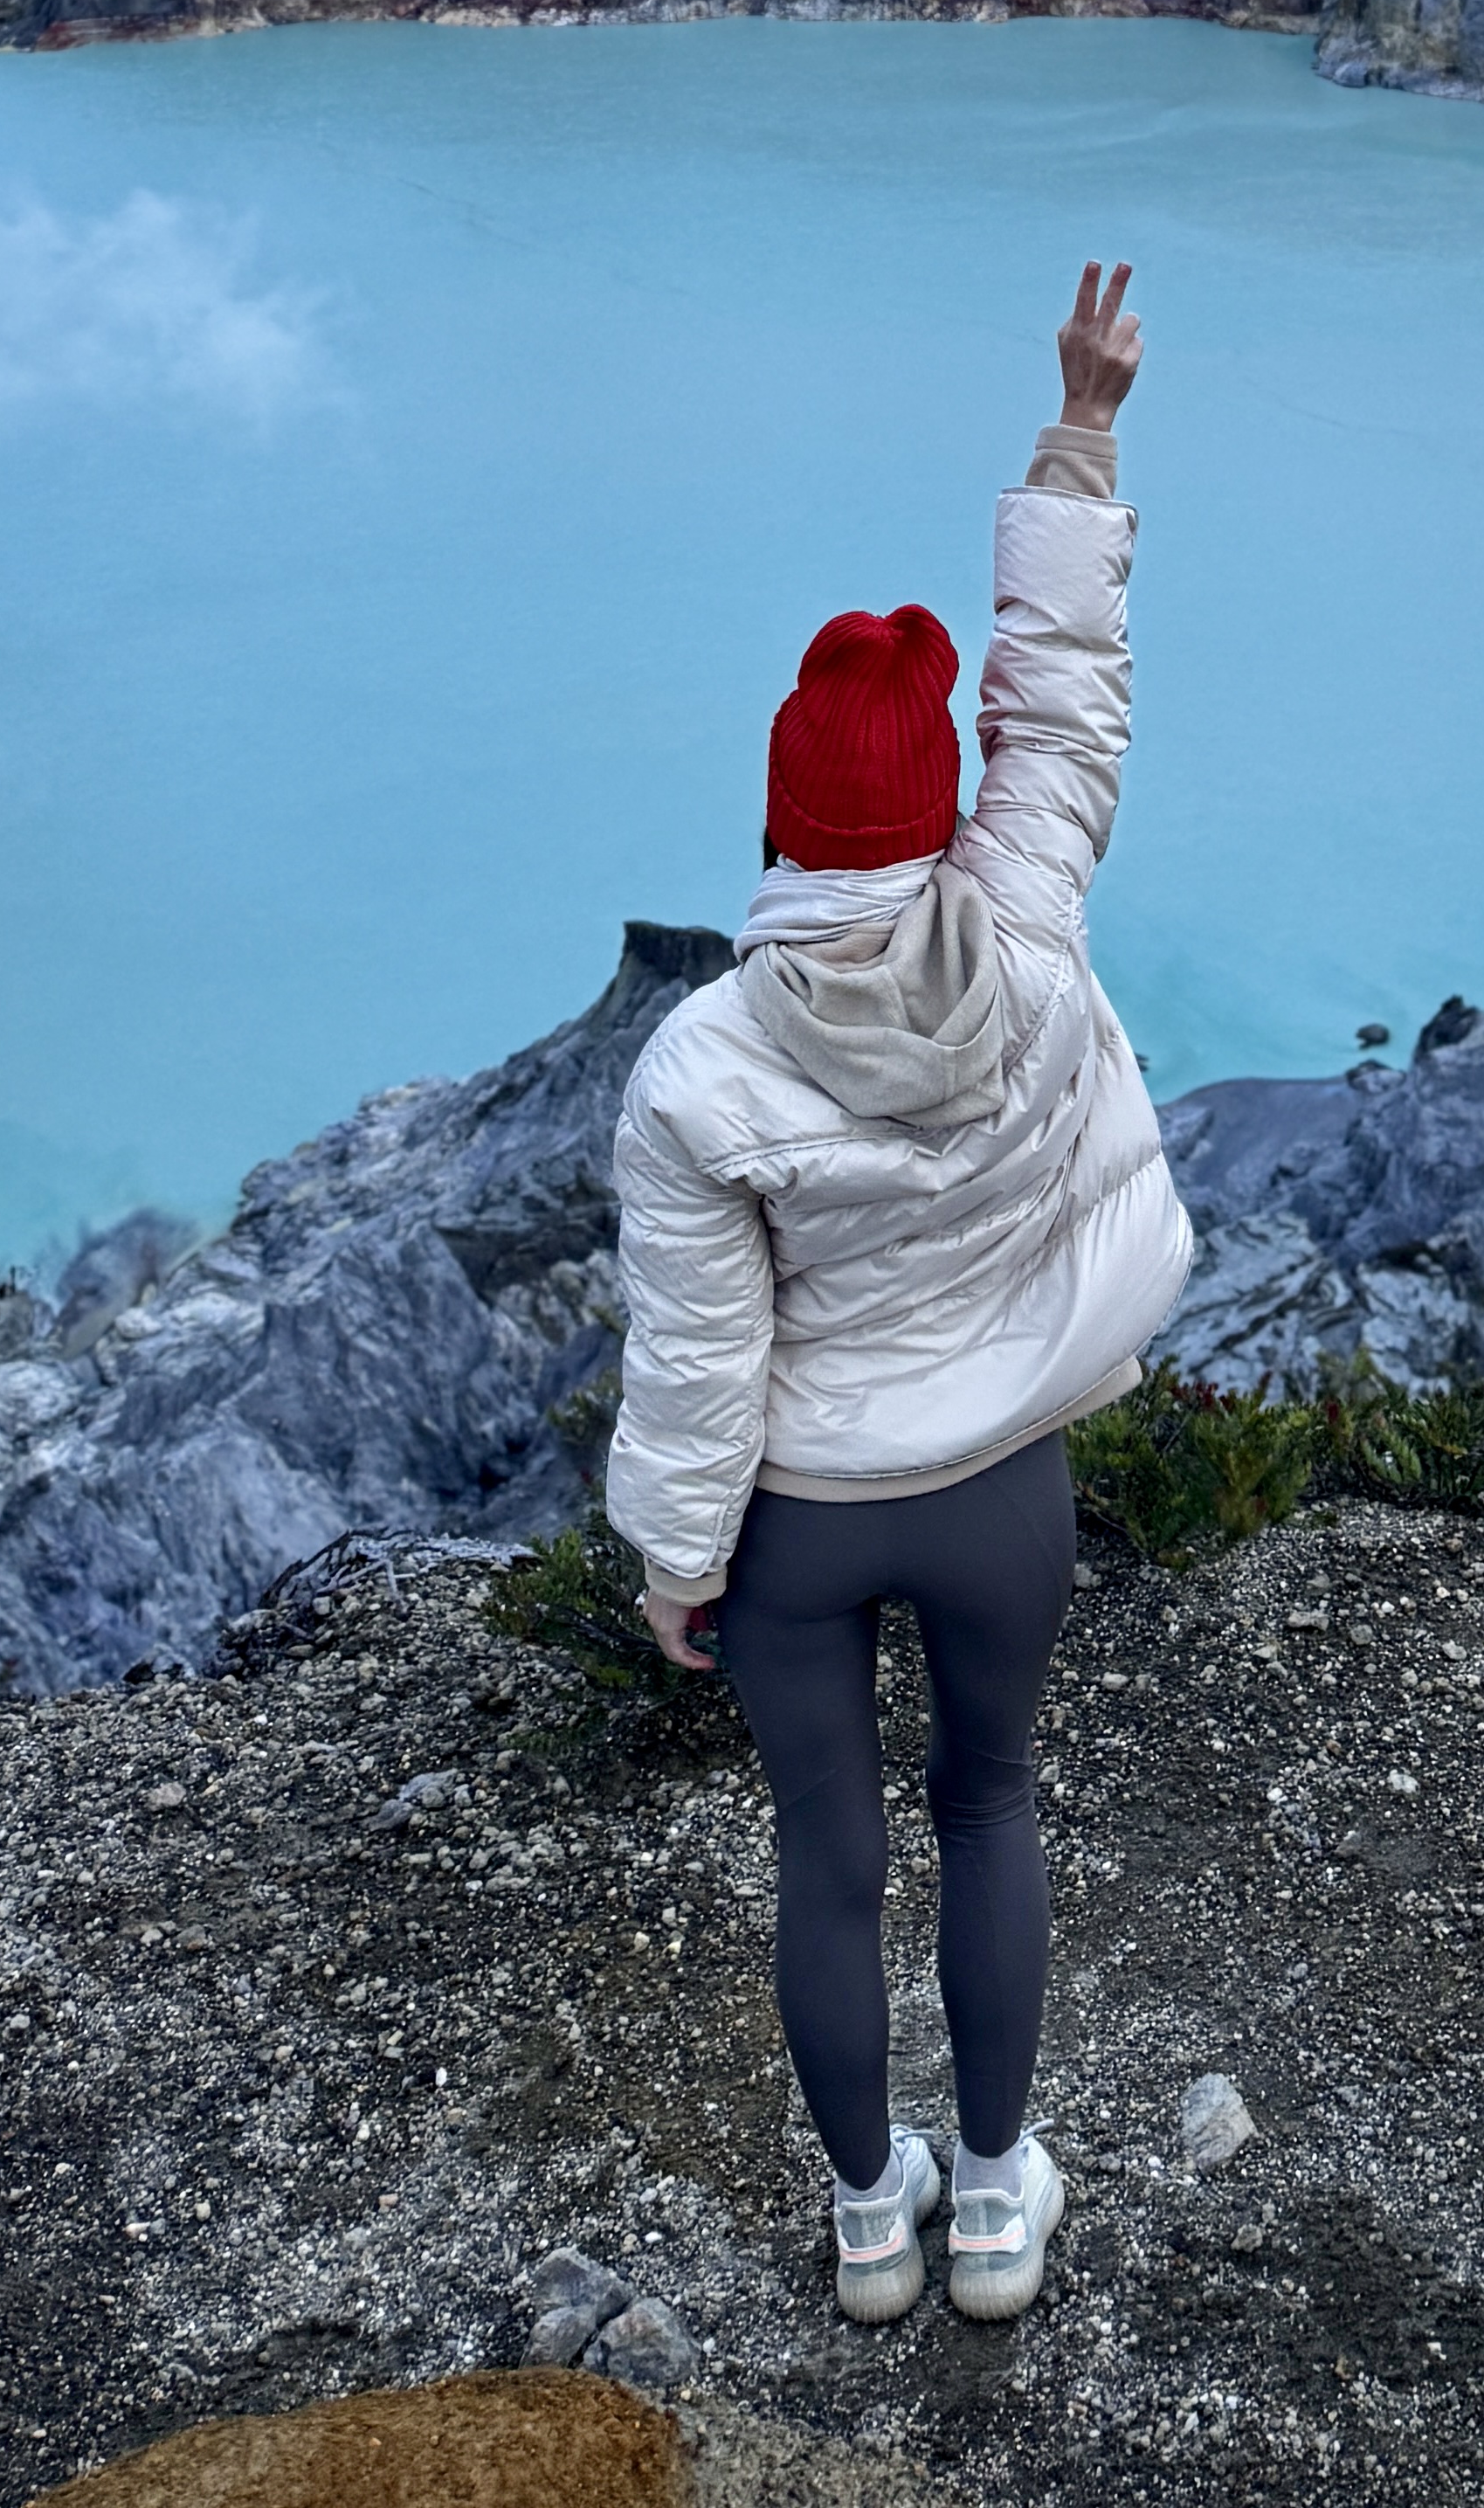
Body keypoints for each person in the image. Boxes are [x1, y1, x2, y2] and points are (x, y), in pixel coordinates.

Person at [606, 260, 1195, 2331]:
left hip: (802, 1518)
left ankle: (867, 2221)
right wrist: (1081, 432)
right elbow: (1064, 694)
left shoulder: (701, 1068)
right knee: (995, 1797)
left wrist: (679, 1565)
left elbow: (700, 1361)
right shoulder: (1022, 926)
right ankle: (997, 2197)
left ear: (779, 822)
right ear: (932, 815)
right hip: (1000, 1495)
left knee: (830, 1864)